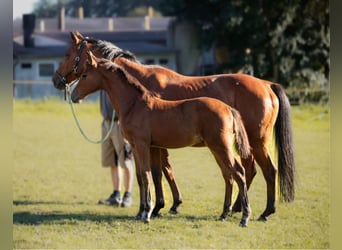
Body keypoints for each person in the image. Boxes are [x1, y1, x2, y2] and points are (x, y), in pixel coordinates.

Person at [98, 90, 134, 207]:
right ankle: (116, 194)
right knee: (113, 162)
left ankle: (127, 195)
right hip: (106, 123)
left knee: (126, 161)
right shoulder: (101, 77)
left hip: (120, 123)